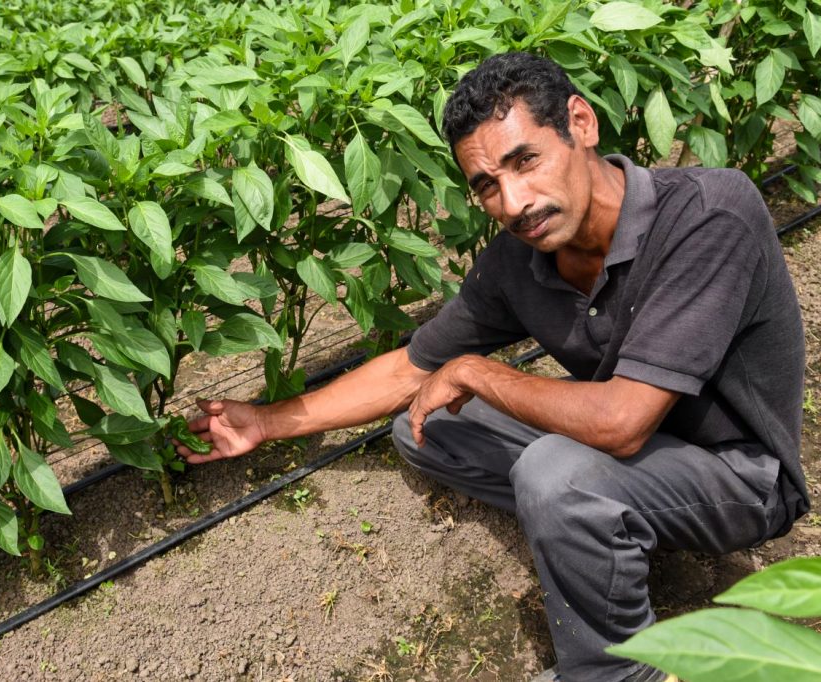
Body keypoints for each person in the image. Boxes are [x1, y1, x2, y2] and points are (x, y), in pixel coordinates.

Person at [176, 52, 808, 682]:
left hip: (740, 477)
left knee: (556, 473)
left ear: (581, 124)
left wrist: (478, 371)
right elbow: (411, 368)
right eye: (486, 185)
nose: (515, 203)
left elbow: (621, 423)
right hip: (637, 453)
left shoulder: (707, 215)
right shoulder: (519, 260)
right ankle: (601, 530)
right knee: (427, 425)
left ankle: (618, 672)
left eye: (525, 160)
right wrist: (265, 421)